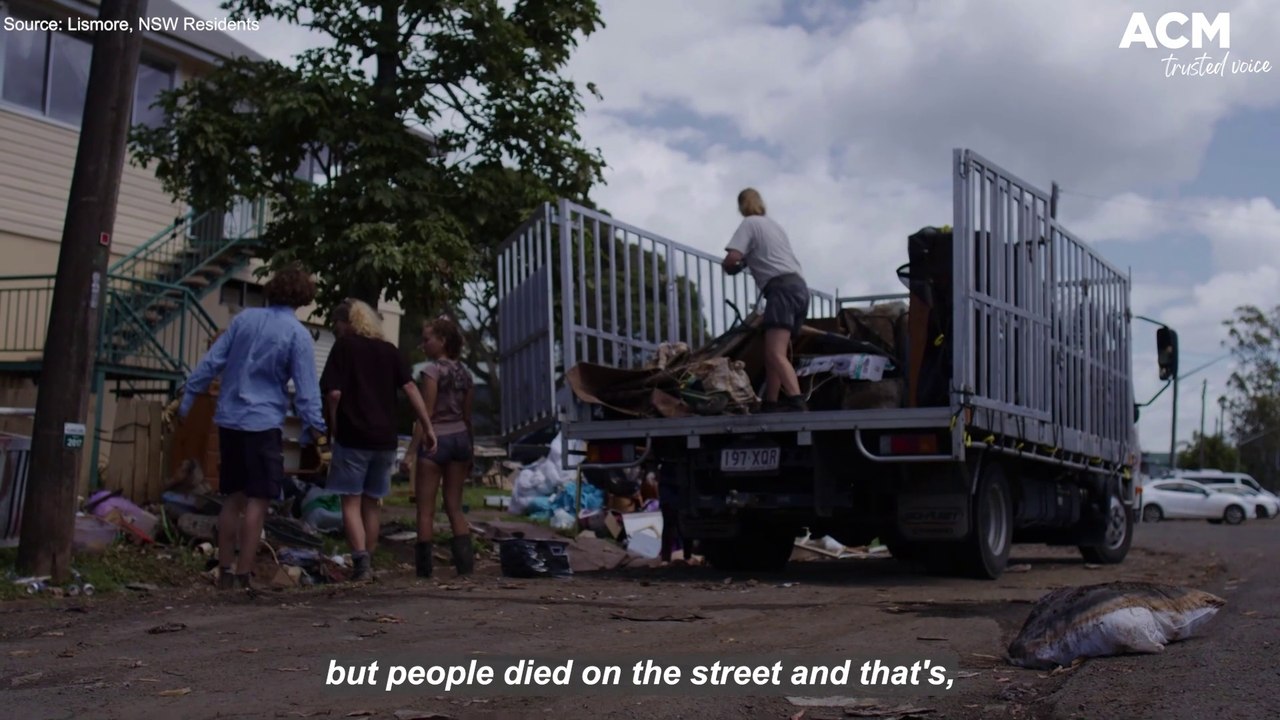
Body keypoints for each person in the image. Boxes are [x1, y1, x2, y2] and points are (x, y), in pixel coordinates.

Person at [178, 262, 327, 591]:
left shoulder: (243, 320)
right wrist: (315, 428)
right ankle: (245, 574)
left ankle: (225, 569)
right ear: (303, 298)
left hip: (229, 419)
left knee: (232, 497)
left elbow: (212, 361)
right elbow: (306, 390)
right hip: (263, 422)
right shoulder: (297, 335)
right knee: (259, 500)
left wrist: (189, 396)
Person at [320, 299, 437, 583]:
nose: (337, 330)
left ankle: (360, 563)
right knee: (372, 503)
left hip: (353, 438)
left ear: (347, 323)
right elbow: (410, 389)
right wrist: (427, 427)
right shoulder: (390, 351)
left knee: (350, 502)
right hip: (385, 440)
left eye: (337, 324)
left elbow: (333, 394)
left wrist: (333, 429)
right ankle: (368, 562)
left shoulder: (344, 347)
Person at [722, 187, 810, 412]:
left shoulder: (750, 223)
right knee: (773, 350)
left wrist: (731, 266)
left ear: (742, 205)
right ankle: (771, 401)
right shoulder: (774, 226)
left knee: (775, 353)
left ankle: (796, 399)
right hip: (799, 288)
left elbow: (732, 258)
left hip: (780, 290)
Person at [402, 315, 475, 577]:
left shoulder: (431, 371)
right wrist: (471, 450)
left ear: (442, 341)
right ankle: (466, 569)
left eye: (427, 339)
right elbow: (467, 418)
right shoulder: (466, 375)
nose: (424, 345)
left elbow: (426, 415)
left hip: (436, 442)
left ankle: (424, 573)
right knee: (454, 506)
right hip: (460, 441)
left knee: (425, 509)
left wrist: (410, 453)